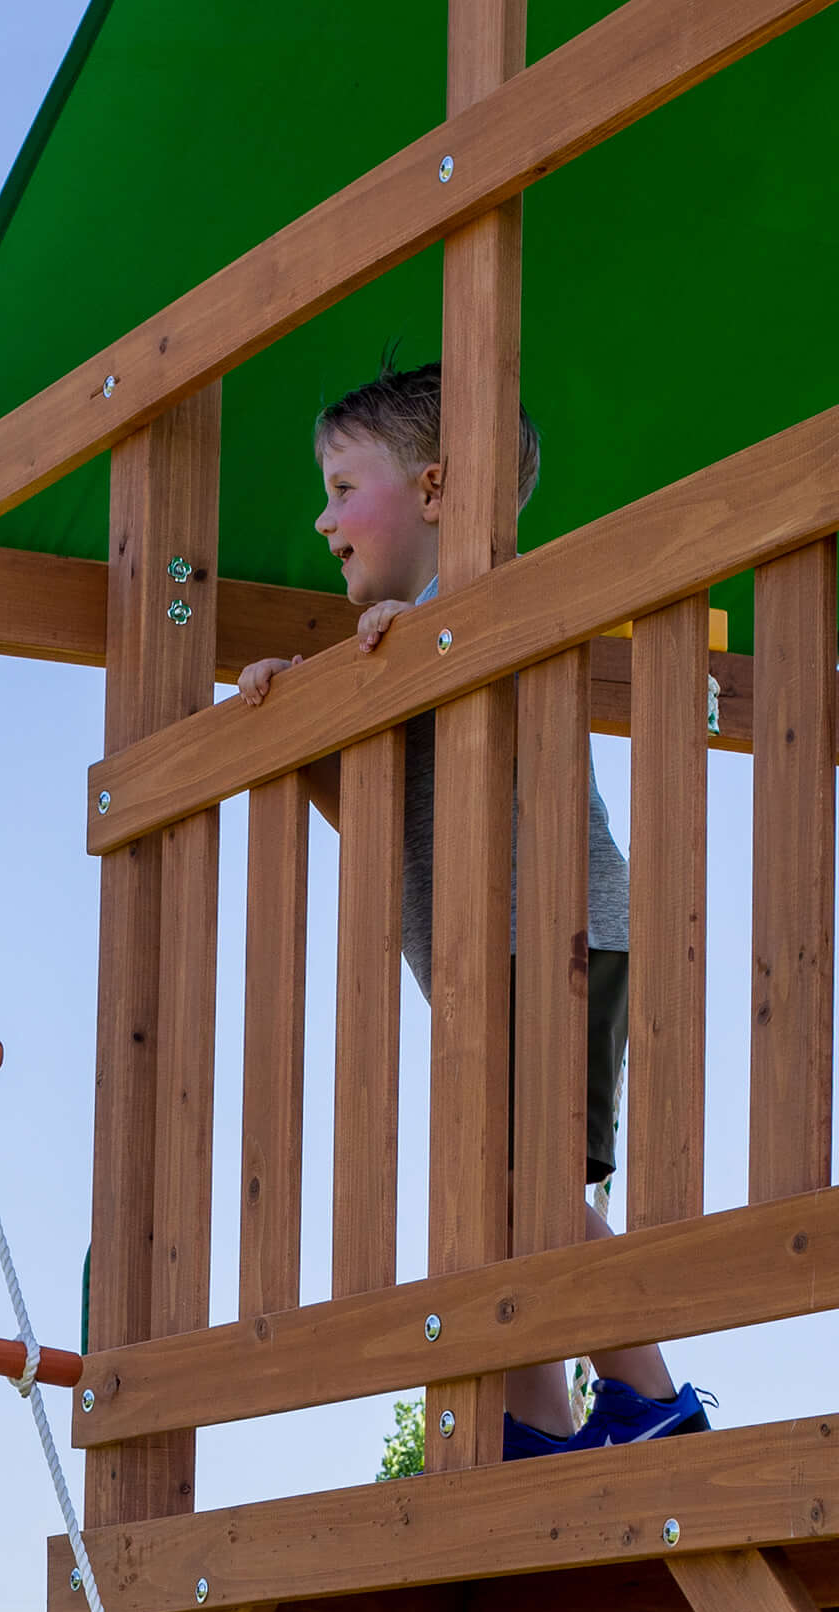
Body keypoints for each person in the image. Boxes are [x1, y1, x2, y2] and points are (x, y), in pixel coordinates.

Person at [235, 364, 710, 1461]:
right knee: (490, 1192)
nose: (323, 516)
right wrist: (293, 724)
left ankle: (652, 1395)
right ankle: (535, 1424)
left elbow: (497, 727)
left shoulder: (493, 610)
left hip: (557, 937)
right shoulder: (397, 646)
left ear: (436, 487)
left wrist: (418, 644)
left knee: (523, 1178)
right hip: (472, 959)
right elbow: (376, 819)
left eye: (344, 486)